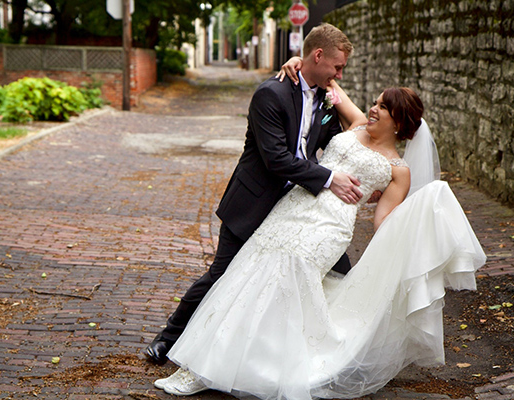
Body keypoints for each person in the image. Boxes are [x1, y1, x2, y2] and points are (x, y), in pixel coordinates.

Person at [152, 79, 486, 399]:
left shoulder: (398, 170)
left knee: (285, 279)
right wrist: (296, 58)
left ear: (399, 122)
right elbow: (328, 85)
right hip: (292, 208)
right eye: (375, 102)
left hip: (329, 229)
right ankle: (205, 365)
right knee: (248, 270)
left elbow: (384, 220)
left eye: (382, 107)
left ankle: (242, 366)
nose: (372, 109)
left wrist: (416, 229)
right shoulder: (355, 123)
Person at [144, 23, 363, 365]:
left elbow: (343, 138)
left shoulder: (325, 96)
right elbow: (277, 159)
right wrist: (330, 178)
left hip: (298, 207)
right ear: (317, 56)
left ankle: (329, 349)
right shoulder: (270, 94)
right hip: (254, 201)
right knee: (223, 274)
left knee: (336, 268)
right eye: (337, 67)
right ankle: (168, 338)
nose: (339, 74)